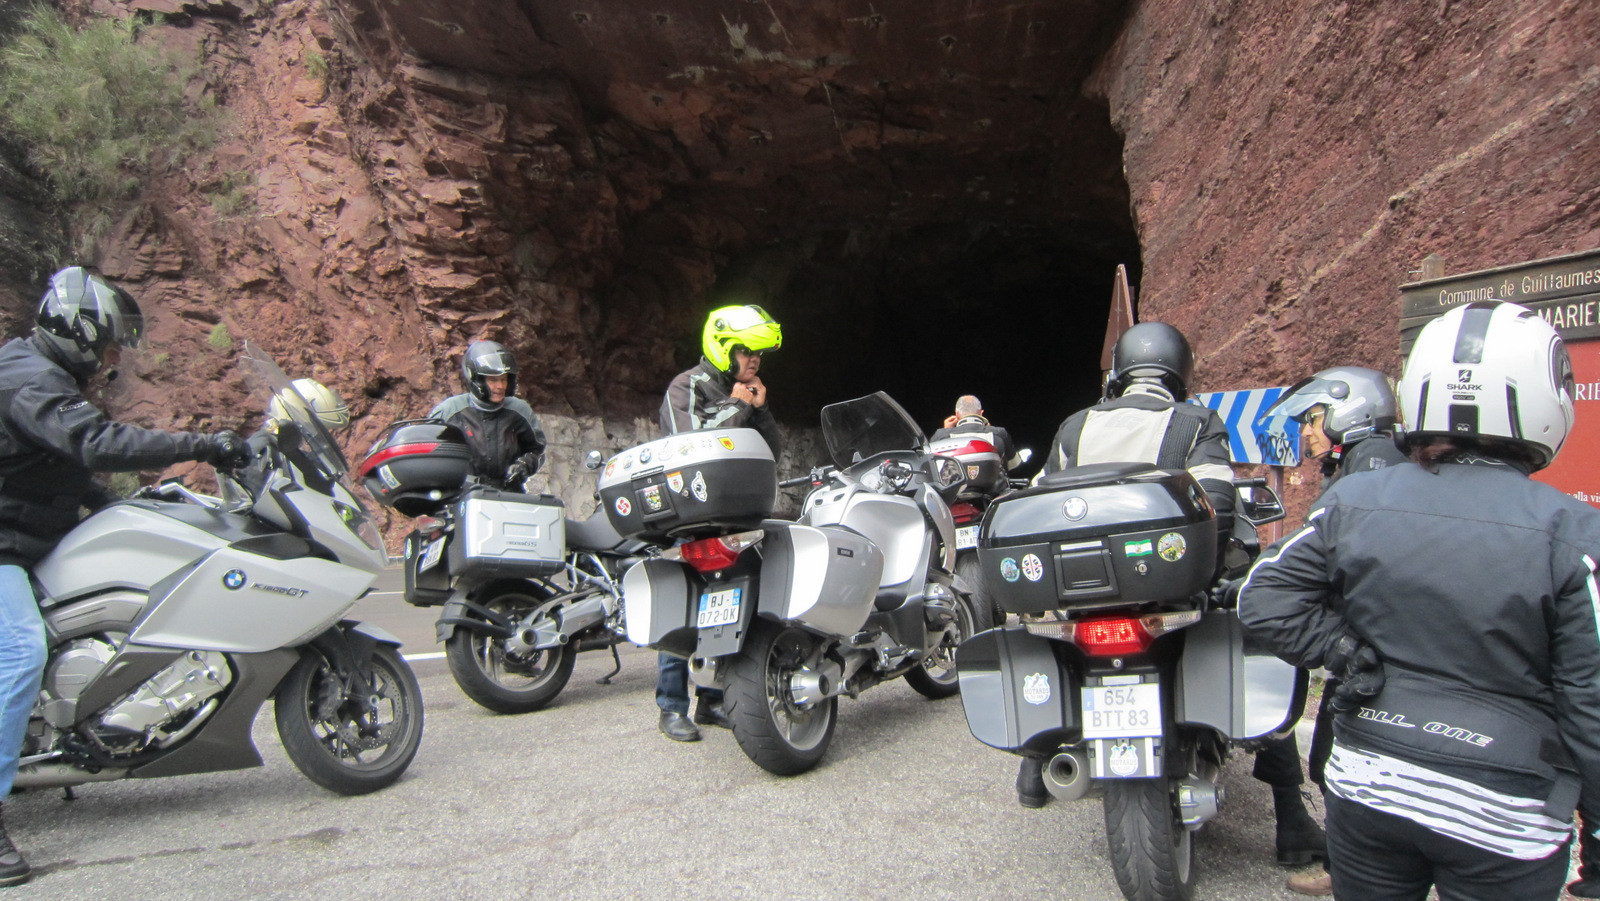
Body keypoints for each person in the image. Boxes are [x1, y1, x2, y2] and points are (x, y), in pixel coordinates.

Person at [1240, 300, 1600, 900]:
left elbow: (1264, 598)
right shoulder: (1573, 534)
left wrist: (1341, 649)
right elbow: (1591, 706)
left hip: (1367, 787)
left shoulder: (1354, 500)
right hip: (1504, 810)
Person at [1021, 322, 1326, 871]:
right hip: (1167, 588)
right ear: (1179, 372)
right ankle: (1292, 818)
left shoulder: (1075, 426)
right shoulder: (1196, 422)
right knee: (1250, 642)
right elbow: (1218, 505)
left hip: (1083, 592)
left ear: (1119, 373)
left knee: (1046, 629)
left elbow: (1039, 502)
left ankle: (1037, 754)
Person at [0, 267, 250, 885]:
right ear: (79, 331)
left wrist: (117, 506)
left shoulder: (37, 373)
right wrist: (203, 444)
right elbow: (90, 442)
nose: (112, 359)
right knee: (20, 651)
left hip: (25, 538)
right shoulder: (29, 380)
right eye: (108, 344)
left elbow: (50, 467)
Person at [1262, 365, 1408, 896]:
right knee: (1337, 755)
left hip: (1375, 644)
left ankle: (1361, 871)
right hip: (1380, 637)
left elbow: (1329, 552)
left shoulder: (1369, 469)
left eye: (1315, 418)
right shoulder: (1370, 463)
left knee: (1339, 757)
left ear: (1353, 410)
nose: (1306, 431)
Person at [655, 304, 783, 742]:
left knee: (732, 608)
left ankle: (712, 700)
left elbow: (772, 451)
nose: (755, 361)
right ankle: (671, 706)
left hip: (735, 514)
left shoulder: (744, 393)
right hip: (690, 516)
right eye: (748, 351)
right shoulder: (686, 386)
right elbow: (690, 442)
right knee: (686, 605)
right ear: (724, 348)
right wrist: (737, 405)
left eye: (760, 355)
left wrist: (760, 410)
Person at [428, 340, 546, 490]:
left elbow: (537, 450)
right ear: (476, 379)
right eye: (493, 380)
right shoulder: (451, 411)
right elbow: (428, 451)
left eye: (504, 379)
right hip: (460, 494)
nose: (500, 386)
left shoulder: (519, 410)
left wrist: (524, 466)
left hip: (508, 494)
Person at [930, 395, 1024, 468]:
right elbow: (1014, 466)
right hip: (994, 491)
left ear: (956, 415)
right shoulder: (1000, 433)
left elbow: (932, 466)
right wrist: (992, 431)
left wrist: (946, 431)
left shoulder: (940, 435)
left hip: (955, 491)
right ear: (981, 413)